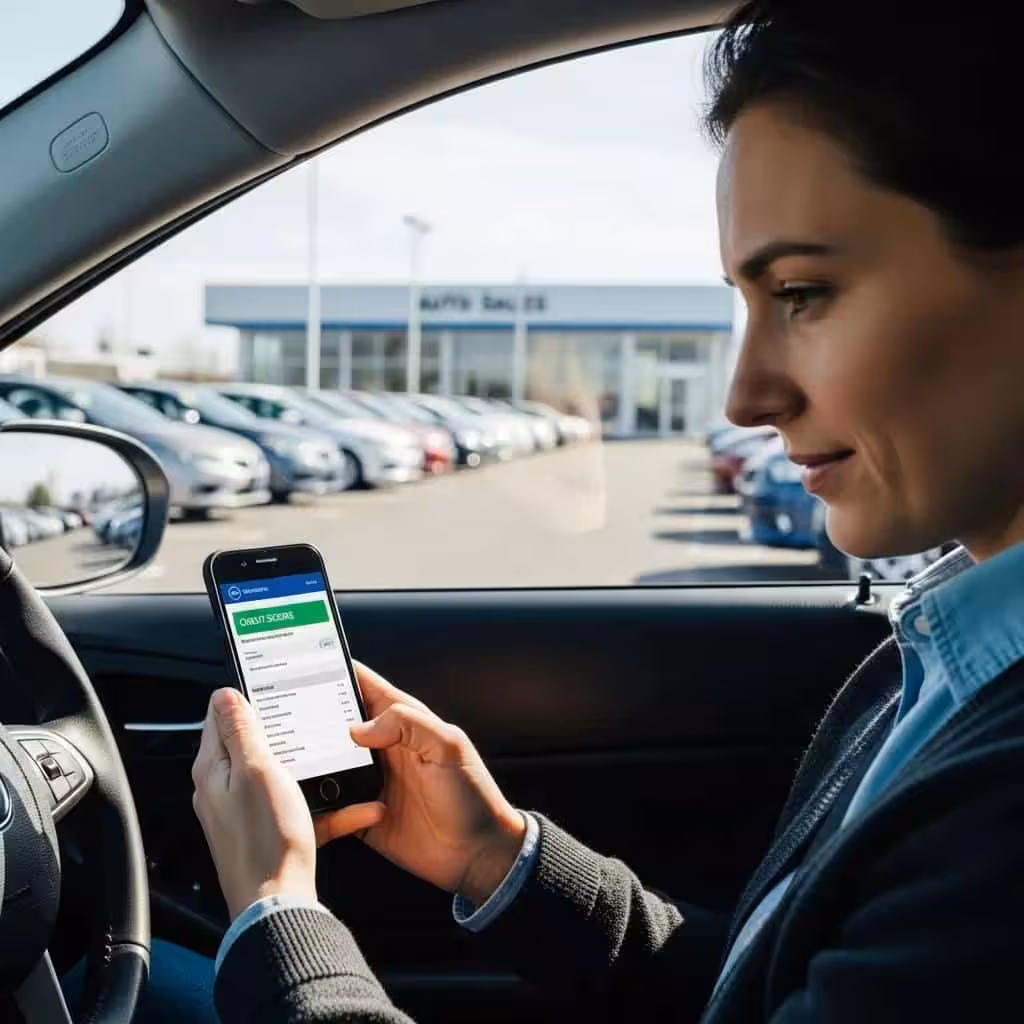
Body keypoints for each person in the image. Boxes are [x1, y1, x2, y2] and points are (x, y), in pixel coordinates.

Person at [192, 2, 1024, 1021]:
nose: (744, 396)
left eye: (801, 293)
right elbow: (767, 994)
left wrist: (280, 922)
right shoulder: (952, 652)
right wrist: (495, 856)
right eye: (745, 301)